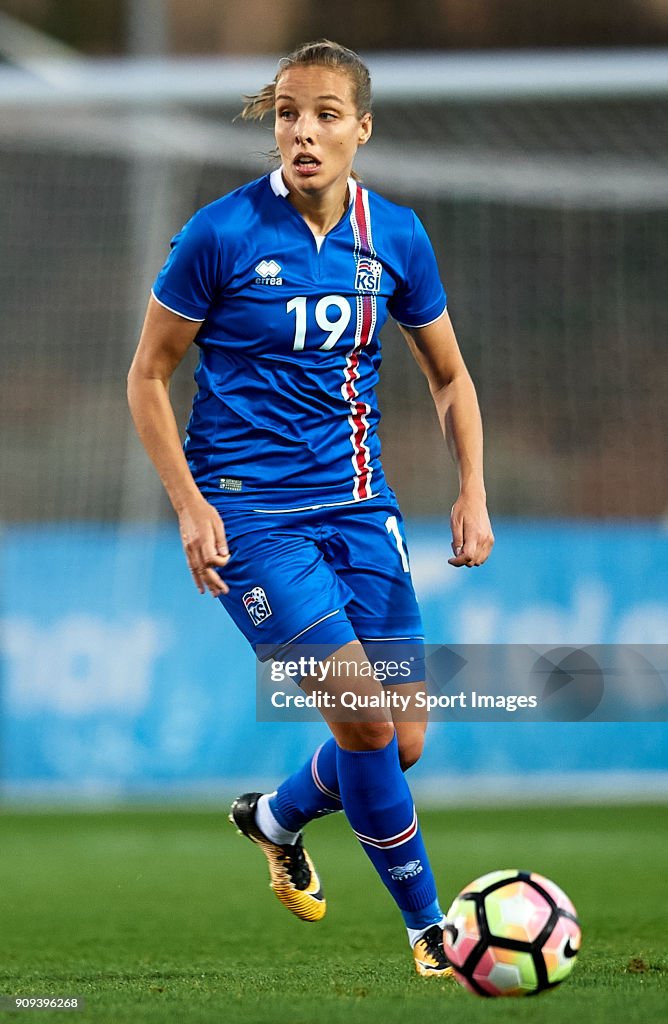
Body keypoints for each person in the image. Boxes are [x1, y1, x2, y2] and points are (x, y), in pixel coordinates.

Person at [127, 39, 493, 977]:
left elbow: (449, 377)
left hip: (363, 509)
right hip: (251, 521)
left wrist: (472, 489)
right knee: (365, 725)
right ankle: (429, 930)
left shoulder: (397, 237)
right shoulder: (220, 233)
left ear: (361, 130)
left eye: (327, 114)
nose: (304, 130)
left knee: (401, 740)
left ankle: (275, 816)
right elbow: (148, 376)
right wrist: (189, 504)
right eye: (290, 112)